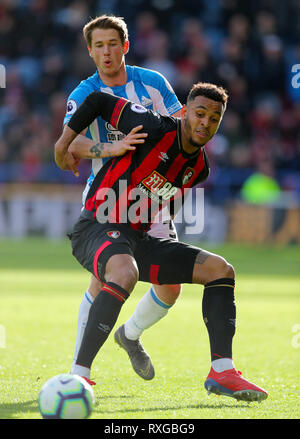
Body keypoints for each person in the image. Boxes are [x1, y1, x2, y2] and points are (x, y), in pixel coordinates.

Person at [54, 81, 268, 403]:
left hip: (139, 238)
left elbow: (166, 201)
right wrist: (62, 145)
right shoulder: (154, 127)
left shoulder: (200, 167)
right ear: (185, 112)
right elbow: (98, 100)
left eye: (214, 118)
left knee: (221, 270)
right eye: (199, 114)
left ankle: (222, 371)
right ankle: (79, 377)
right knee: (123, 273)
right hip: (97, 225)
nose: (205, 123)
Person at [55, 15, 183, 381]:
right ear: (90, 51)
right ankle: (79, 373)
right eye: (99, 45)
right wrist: (112, 147)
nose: (106, 52)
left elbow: (180, 127)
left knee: (170, 286)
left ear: (125, 46)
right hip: (107, 202)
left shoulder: (153, 83)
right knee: (105, 279)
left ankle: (129, 335)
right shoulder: (84, 93)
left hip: (152, 200)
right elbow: (69, 142)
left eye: (113, 43)